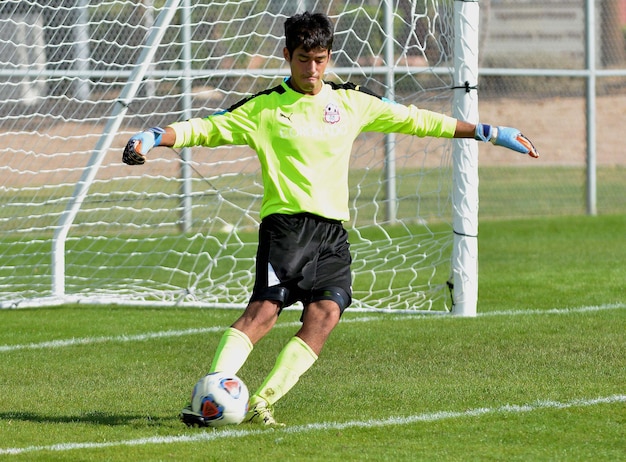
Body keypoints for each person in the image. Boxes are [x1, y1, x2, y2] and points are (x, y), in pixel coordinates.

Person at [122, 11, 538, 427]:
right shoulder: (266, 108)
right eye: (304, 58)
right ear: (287, 55)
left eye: (320, 58)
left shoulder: (350, 102)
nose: (313, 68)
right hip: (286, 229)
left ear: (329, 56)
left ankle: (261, 402)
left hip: (332, 234)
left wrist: (489, 131)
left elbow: (417, 119)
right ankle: (212, 392)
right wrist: (155, 137)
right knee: (264, 313)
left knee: (326, 314)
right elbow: (205, 129)